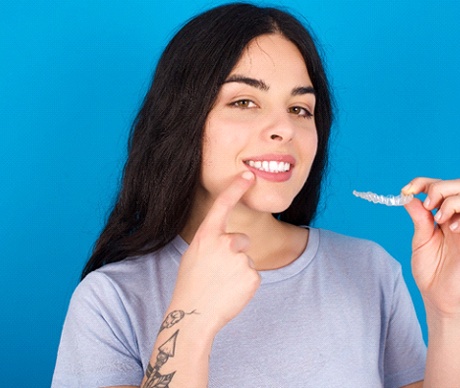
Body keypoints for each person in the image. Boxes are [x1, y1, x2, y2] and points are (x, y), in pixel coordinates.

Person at [52, 3, 460, 387]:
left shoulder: (370, 271)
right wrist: (190, 320)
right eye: (244, 101)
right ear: (182, 120)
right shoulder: (111, 300)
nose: (284, 128)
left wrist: (449, 312)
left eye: (300, 109)